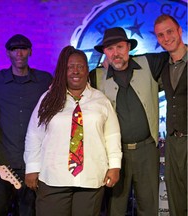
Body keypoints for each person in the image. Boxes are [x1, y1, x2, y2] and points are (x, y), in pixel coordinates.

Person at [24, 45, 122, 216]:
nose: (75, 71)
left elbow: (112, 136)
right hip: (53, 179)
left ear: (87, 70)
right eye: (70, 67)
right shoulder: (48, 99)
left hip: (90, 179)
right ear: (63, 71)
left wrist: (114, 166)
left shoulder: (101, 101)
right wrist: (32, 167)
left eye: (80, 67)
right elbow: (34, 135)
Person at [89, 27, 169, 216]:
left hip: (147, 150)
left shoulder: (149, 62)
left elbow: (178, 53)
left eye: (120, 46)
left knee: (148, 206)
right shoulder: (96, 77)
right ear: (104, 53)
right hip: (115, 155)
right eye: (109, 49)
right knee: (115, 207)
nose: (115, 53)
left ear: (128, 47)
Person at [0, 34, 53, 216]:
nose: (19, 53)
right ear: (8, 53)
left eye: (23, 49)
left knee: (29, 213)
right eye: (14, 49)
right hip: (0, 165)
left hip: (30, 166)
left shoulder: (44, 80)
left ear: (30, 52)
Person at [154, 14, 187, 216]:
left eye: (169, 32)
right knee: (176, 198)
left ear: (180, 31)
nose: (166, 38)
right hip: (173, 142)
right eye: (160, 35)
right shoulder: (162, 66)